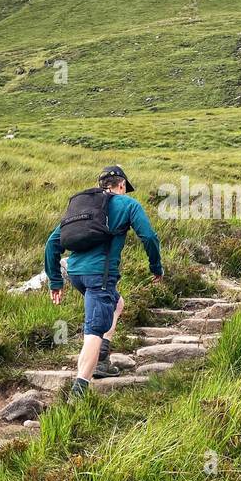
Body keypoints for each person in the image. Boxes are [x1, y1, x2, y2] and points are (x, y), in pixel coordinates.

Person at [44, 165, 163, 399]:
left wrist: (55, 281)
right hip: (100, 276)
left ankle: (102, 358)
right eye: (125, 188)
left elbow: (52, 243)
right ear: (121, 185)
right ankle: (79, 391)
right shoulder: (128, 204)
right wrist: (156, 267)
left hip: (76, 273)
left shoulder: (85, 207)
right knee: (93, 330)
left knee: (117, 304)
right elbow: (148, 236)